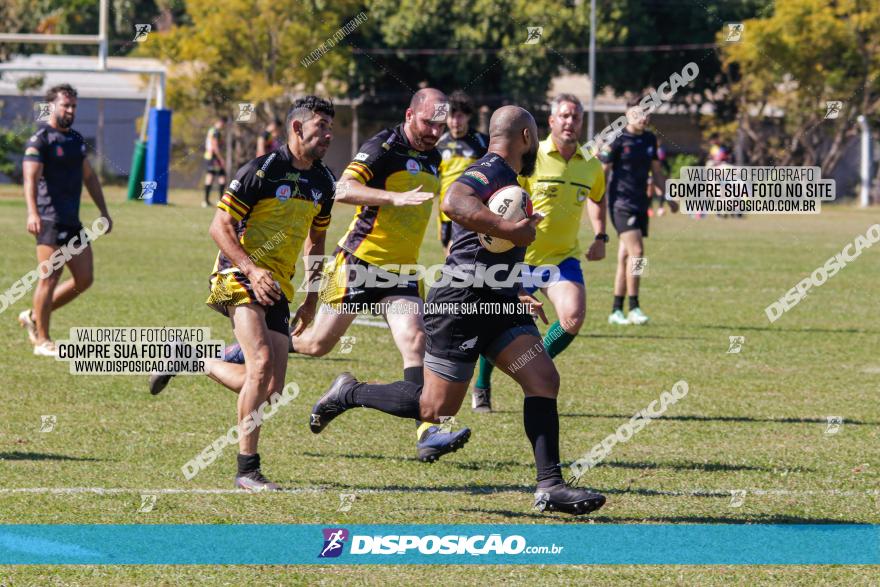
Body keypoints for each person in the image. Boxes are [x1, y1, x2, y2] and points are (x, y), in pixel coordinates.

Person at [308, 106, 607, 515]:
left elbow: (487, 247)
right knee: (437, 408)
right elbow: (453, 201)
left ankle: (550, 485)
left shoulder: (511, 178)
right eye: (534, 134)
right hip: (462, 303)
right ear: (524, 136)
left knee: (543, 379)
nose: (537, 143)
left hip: (498, 301)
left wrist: (515, 285)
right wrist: (510, 229)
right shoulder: (490, 170)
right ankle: (349, 393)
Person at [150, 96, 337, 491]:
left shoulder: (323, 182)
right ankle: (247, 470)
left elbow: (316, 241)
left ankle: (194, 359)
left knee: (272, 392)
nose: (328, 134)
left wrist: (312, 296)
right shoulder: (262, 170)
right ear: (297, 128)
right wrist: (252, 269)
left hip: (279, 287)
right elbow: (219, 226)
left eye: (330, 127)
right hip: (238, 273)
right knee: (261, 363)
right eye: (321, 126)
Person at [282, 88, 472, 462]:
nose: (436, 131)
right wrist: (391, 198)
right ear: (409, 115)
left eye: (440, 125)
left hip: (400, 273)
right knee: (315, 344)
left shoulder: (433, 156)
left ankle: (427, 432)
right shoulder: (385, 145)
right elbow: (342, 189)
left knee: (416, 342)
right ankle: (253, 348)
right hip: (356, 263)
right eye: (429, 123)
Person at [470, 94, 607, 412]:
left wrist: (600, 235)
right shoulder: (531, 157)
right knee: (496, 321)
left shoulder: (591, 164)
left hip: (562, 258)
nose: (570, 122)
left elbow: (597, 197)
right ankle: (481, 386)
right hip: (521, 258)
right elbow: (505, 199)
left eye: (576, 117)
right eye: (564, 116)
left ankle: (531, 367)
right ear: (552, 121)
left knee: (572, 317)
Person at [19, 83, 113, 357]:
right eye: (66, 105)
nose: (70, 110)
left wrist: (104, 212)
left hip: (73, 222)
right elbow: (30, 179)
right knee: (48, 279)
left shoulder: (75, 139)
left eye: (73, 106)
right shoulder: (40, 140)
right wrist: (32, 212)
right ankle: (42, 341)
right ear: (52, 107)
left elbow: (90, 178)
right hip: (49, 220)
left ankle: (33, 316)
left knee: (84, 279)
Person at [601, 97, 667, 326]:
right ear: (628, 115)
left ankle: (616, 310)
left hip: (641, 204)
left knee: (625, 257)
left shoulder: (650, 140)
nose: (644, 118)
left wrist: (666, 196)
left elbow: (656, 171)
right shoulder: (618, 139)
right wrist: (598, 198)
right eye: (639, 114)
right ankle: (635, 307)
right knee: (638, 253)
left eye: (647, 114)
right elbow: (604, 171)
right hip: (621, 204)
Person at [436, 91, 488, 255]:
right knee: (449, 256)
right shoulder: (439, 144)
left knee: (463, 255)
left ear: (468, 116)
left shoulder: (481, 142)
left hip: (472, 208)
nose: (455, 121)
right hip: (446, 211)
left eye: (459, 116)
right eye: (451, 116)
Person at [203, 116, 228, 208]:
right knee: (221, 176)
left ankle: (206, 201)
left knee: (211, 176)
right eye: (224, 124)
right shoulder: (216, 132)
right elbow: (215, 146)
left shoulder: (211, 130)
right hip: (214, 157)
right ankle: (220, 200)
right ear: (221, 122)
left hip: (209, 156)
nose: (224, 126)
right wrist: (221, 158)